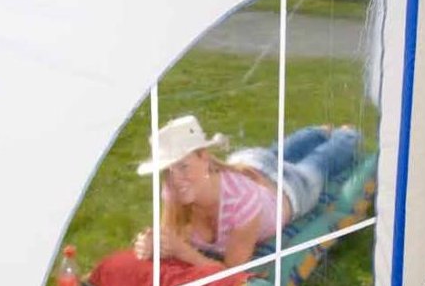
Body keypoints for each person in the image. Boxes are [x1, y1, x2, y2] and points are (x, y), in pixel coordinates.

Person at [133, 115, 359, 269]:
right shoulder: (173, 189)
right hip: (248, 164)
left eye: (183, 166)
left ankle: (346, 135)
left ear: (204, 157)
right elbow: (168, 237)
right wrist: (151, 243)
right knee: (275, 153)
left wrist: (184, 252)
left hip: (288, 189)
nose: (175, 178)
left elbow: (232, 270)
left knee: (320, 162)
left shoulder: (240, 200)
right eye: (167, 170)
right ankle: (318, 132)